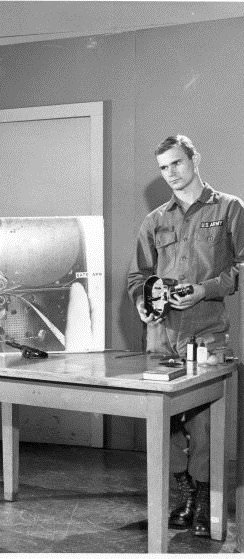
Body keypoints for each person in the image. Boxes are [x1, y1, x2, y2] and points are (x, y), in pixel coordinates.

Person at [127, 135, 244, 537]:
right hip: (161, 338)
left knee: (205, 424)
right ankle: (185, 498)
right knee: (166, 423)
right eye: (163, 168)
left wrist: (204, 289)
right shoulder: (155, 220)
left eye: (177, 163)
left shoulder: (229, 209)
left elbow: (241, 268)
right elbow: (137, 276)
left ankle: (207, 507)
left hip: (207, 335)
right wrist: (144, 302)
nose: (171, 174)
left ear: (195, 158)